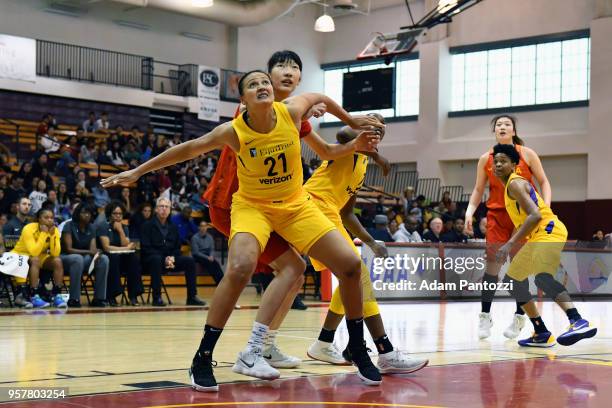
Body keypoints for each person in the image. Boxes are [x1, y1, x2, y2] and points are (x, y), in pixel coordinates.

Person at [101, 69, 384, 390]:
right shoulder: (233, 131)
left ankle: (358, 348)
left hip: (294, 205)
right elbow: (187, 148)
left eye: (265, 81)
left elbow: (321, 98)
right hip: (254, 208)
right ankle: (202, 358)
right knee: (240, 267)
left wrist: (352, 121)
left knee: (349, 265)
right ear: (243, 100)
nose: (262, 86)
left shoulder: (291, 112)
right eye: (253, 84)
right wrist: (137, 171)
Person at [305, 123, 428, 374]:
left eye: (380, 126)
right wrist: (376, 153)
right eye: (370, 122)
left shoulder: (361, 165)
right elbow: (342, 133)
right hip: (313, 207)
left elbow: (347, 212)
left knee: (352, 278)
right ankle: (385, 351)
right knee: (358, 275)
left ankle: (324, 341)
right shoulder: (347, 147)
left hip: (331, 214)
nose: (375, 125)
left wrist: (370, 241)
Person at [492, 143, 597, 347]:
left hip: (549, 229)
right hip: (538, 235)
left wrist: (509, 244)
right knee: (513, 280)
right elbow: (526, 220)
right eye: (495, 161)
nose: (498, 164)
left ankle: (577, 321)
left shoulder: (515, 184)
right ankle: (540, 331)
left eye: (503, 161)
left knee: (542, 278)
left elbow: (535, 215)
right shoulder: (509, 188)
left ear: (514, 164)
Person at [464, 115, 552, 340]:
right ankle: (485, 316)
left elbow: (544, 182)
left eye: (507, 124)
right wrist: (469, 213)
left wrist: (545, 208)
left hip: (522, 218)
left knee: (518, 271)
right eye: (498, 125)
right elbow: (477, 189)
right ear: (495, 132)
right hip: (496, 217)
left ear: (513, 131)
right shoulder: (486, 158)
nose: (502, 127)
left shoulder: (527, 154)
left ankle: (519, 316)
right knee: (491, 267)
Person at [140, 197, 205, 306]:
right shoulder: (147, 225)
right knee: (156, 260)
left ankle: (192, 297)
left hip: (169, 260)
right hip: (151, 261)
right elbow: (146, 248)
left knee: (189, 261)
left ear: (170, 210)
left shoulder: (173, 227)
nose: (164, 209)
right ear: (156, 209)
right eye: (161, 206)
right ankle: (157, 298)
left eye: (166, 207)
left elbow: (177, 247)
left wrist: (172, 257)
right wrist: (164, 258)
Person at [11, 208, 66, 308]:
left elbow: (55, 253)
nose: (50, 220)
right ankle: (34, 295)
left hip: (37, 256)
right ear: (39, 219)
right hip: (20, 255)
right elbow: (33, 252)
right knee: (35, 260)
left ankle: (57, 295)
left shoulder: (55, 230)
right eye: (46, 217)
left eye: (51, 218)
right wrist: (44, 234)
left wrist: (53, 236)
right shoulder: (29, 228)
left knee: (57, 261)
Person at [61, 204, 109, 307]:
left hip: (83, 259)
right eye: (84, 213)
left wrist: (97, 253)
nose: (87, 215)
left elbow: (92, 249)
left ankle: (99, 299)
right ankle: (74, 299)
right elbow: (69, 249)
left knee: (103, 259)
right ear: (77, 214)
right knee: (77, 259)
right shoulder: (69, 225)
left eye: (89, 213)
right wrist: (89, 252)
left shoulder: (92, 227)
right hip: (66, 258)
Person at [97, 201, 143, 306]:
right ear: (109, 214)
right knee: (114, 257)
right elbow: (107, 247)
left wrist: (120, 230)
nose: (118, 216)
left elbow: (125, 243)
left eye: (120, 214)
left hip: (121, 259)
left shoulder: (124, 227)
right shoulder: (103, 226)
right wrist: (125, 248)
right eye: (115, 213)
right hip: (107, 259)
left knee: (133, 258)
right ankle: (112, 296)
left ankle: (133, 296)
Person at [191, 221, 224, 285]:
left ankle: (222, 282)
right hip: (198, 256)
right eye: (202, 226)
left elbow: (212, 249)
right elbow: (196, 252)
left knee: (216, 264)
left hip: (208, 255)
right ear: (199, 227)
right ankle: (218, 282)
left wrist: (211, 256)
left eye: (205, 226)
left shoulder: (210, 237)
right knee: (209, 263)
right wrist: (207, 257)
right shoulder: (194, 238)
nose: (203, 228)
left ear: (207, 228)